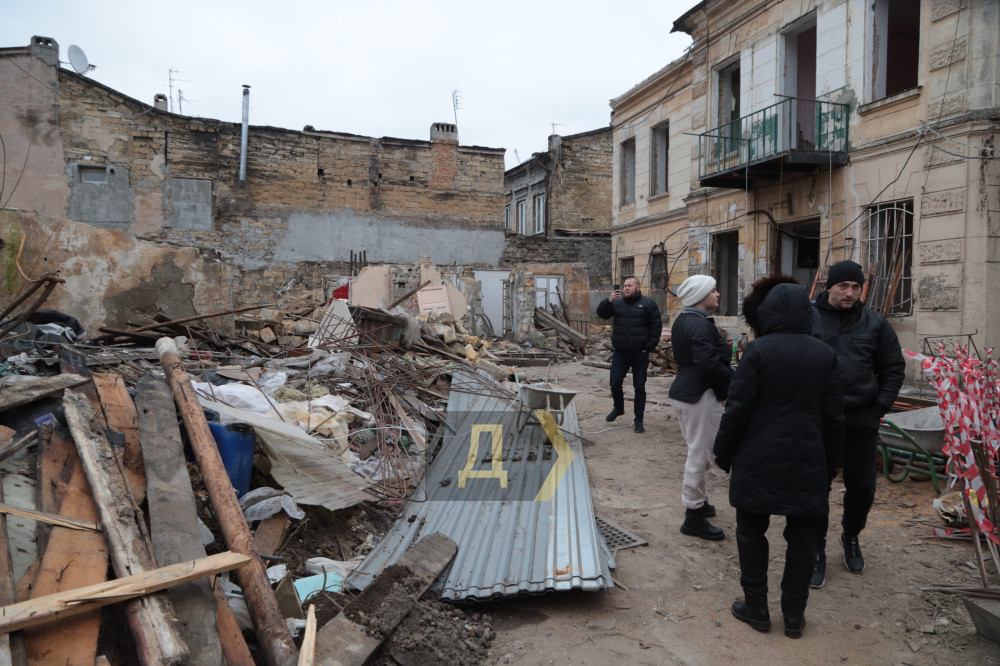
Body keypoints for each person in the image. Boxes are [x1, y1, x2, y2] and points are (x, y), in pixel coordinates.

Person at [714, 278, 844, 639]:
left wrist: (723, 452)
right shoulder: (824, 354)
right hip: (808, 457)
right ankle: (794, 616)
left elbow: (737, 408)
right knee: (803, 536)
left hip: (758, 455)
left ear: (768, 313)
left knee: (750, 530)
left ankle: (757, 608)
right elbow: (834, 415)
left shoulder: (757, 351)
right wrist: (834, 462)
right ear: (806, 313)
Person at [810, 260, 905, 587]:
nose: (850, 293)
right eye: (843, 286)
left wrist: (878, 407)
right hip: (818, 419)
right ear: (829, 287)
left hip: (861, 418)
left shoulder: (875, 323)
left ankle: (851, 535)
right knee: (816, 485)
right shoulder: (808, 319)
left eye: (856, 287)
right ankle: (815, 549)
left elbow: (893, 368)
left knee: (862, 487)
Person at [669, 275, 732, 540]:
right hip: (699, 395)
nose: (717, 294)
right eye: (713, 290)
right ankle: (693, 515)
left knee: (699, 451)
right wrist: (734, 381)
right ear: (700, 295)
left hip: (687, 392)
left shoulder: (686, 319)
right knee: (701, 454)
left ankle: (699, 501)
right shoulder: (697, 324)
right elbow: (708, 364)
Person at [595, 275, 661, 433]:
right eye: (625, 285)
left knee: (639, 387)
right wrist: (609, 301)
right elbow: (602, 314)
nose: (626, 288)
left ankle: (638, 420)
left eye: (629, 285)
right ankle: (619, 408)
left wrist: (648, 347)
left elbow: (656, 327)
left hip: (639, 353)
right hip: (620, 352)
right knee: (615, 382)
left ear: (638, 288)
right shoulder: (616, 303)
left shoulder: (648, 304)